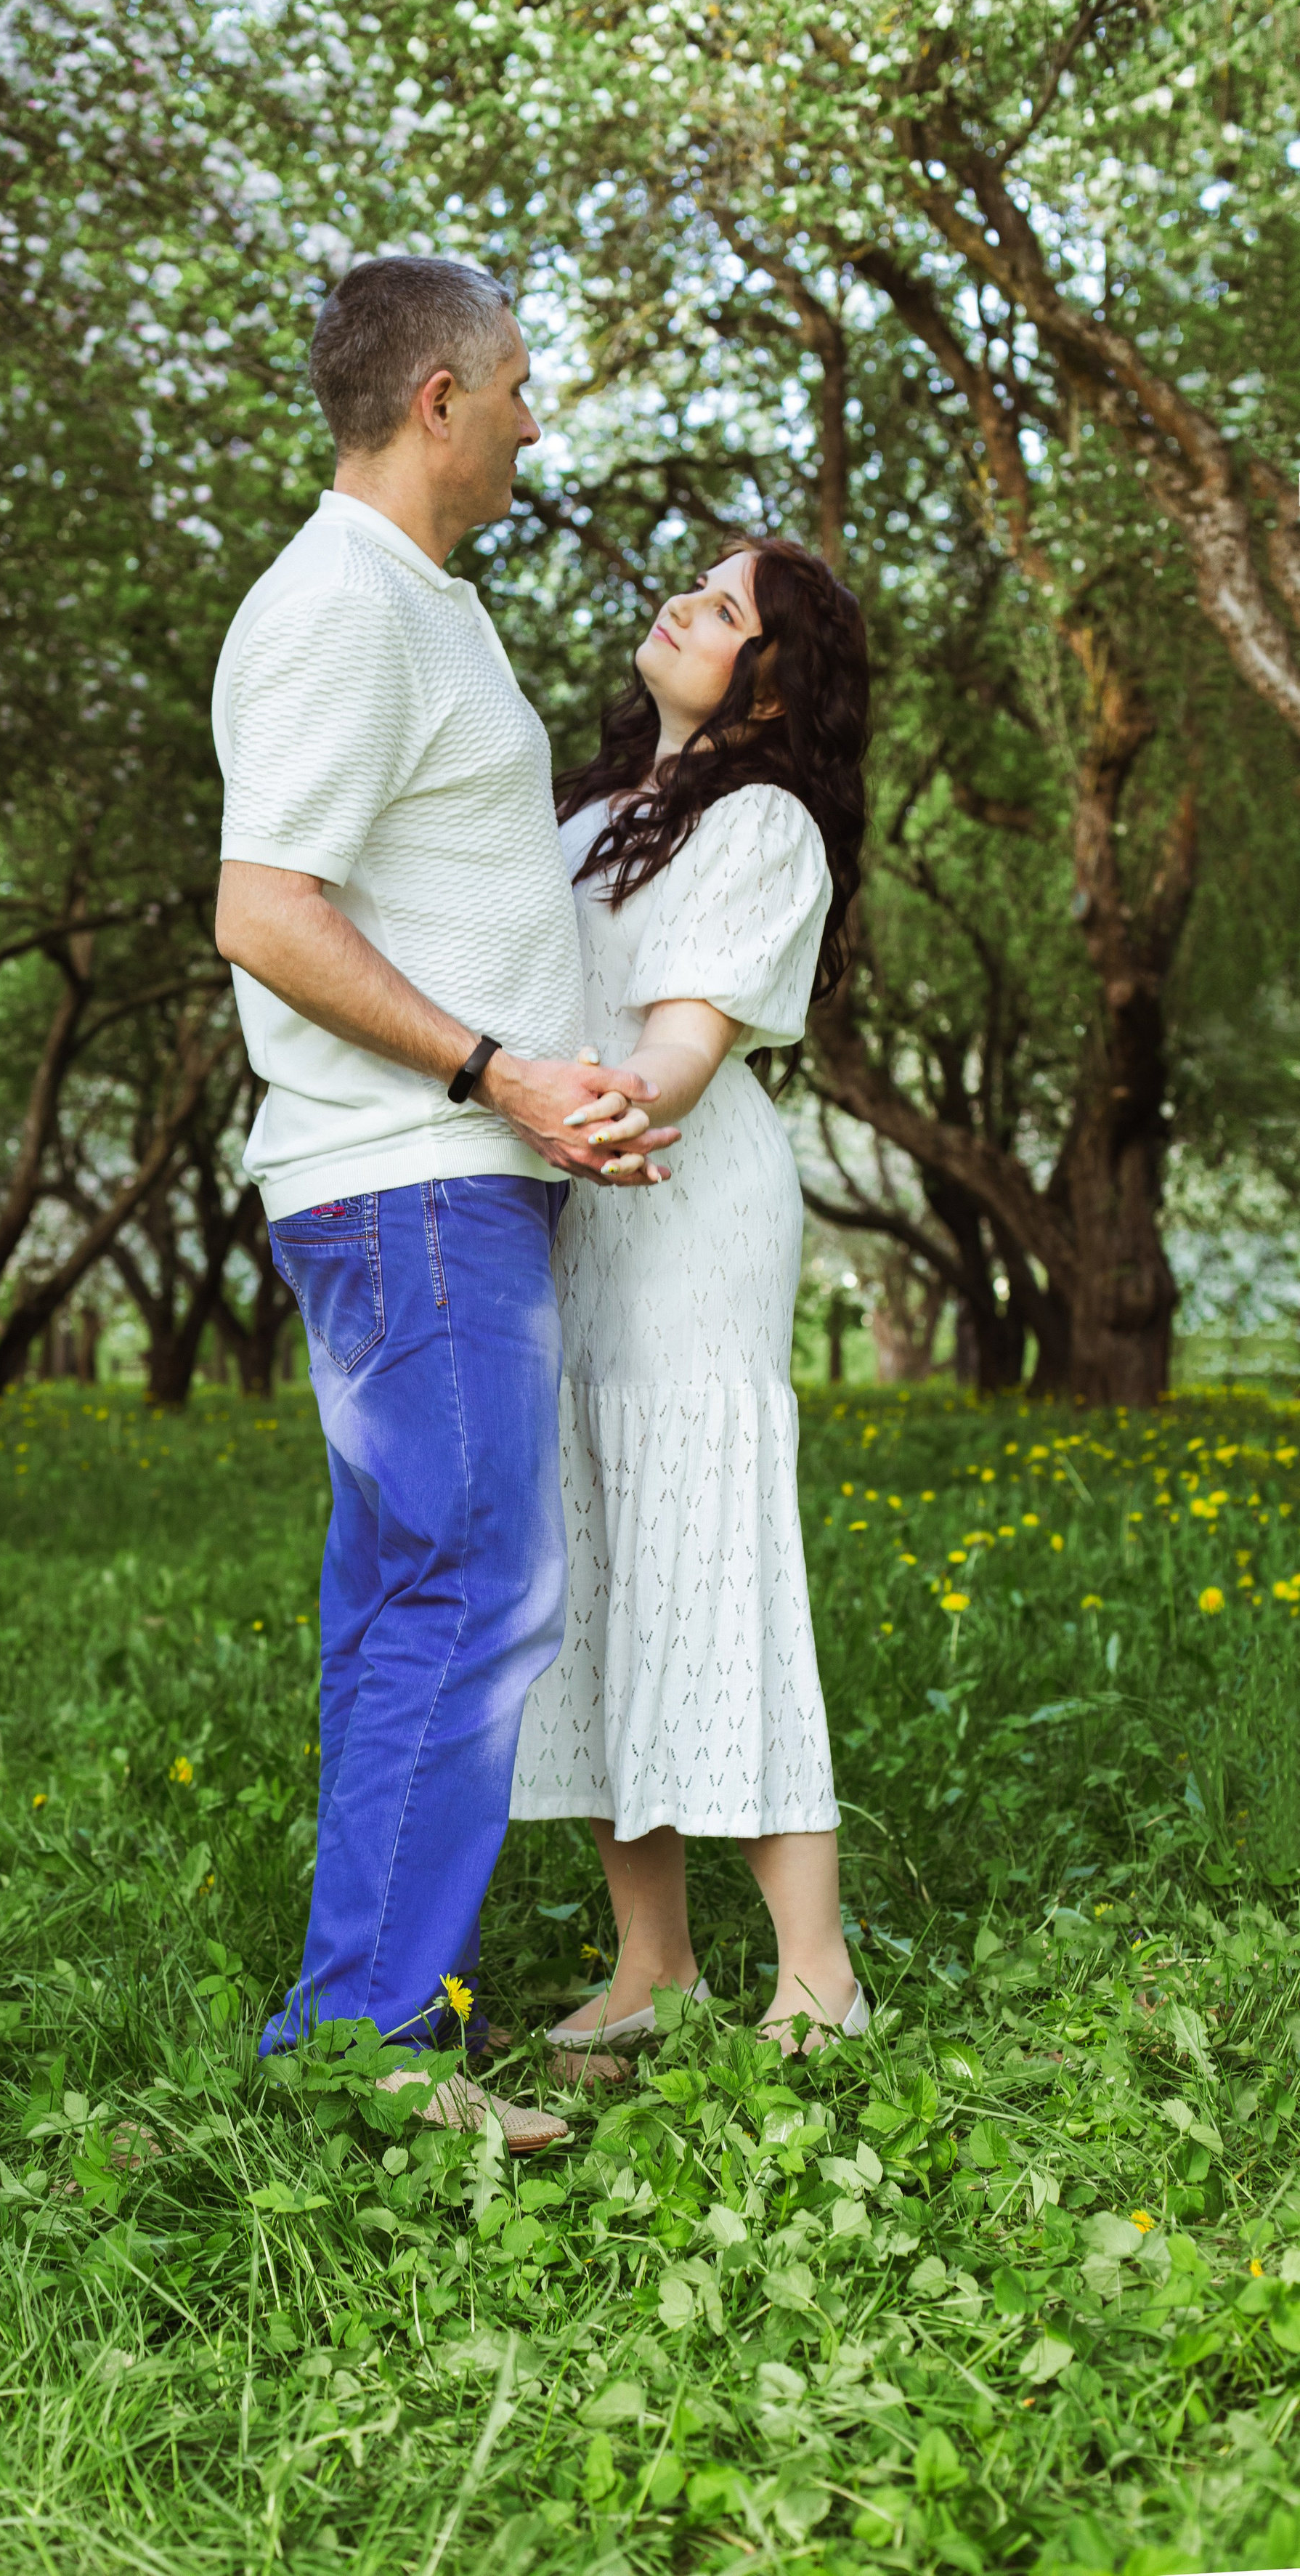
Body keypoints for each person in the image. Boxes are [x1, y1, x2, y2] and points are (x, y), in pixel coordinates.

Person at [211, 256, 676, 2151]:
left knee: (420, 1595)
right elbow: (266, 913)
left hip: (442, 1187)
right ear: (436, 401)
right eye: (516, 389)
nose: (532, 421)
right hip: (411, 1183)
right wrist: (499, 1068)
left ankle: (356, 2030)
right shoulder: (340, 607)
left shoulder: (418, 604)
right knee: (467, 1595)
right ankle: (371, 2054)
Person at [508, 536, 872, 2065]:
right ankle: (650, 1964)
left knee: (704, 1556)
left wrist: (605, 1112)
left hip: (682, 1210)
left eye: (724, 608)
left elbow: (680, 1046)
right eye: (693, 585)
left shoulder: (764, 822)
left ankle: (818, 1975)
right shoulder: (590, 813)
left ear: (773, 681)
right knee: (589, 1564)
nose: (683, 605)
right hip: (570, 1208)